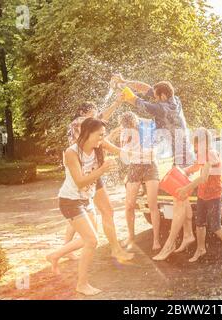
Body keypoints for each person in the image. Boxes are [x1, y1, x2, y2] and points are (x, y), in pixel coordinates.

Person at [112, 75, 196, 260]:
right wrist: (125, 81)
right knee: (183, 200)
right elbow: (146, 88)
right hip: (183, 155)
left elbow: (137, 101)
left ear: (163, 97)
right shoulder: (176, 100)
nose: (155, 98)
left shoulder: (162, 108)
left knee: (178, 201)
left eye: (157, 96)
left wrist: (124, 91)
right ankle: (188, 234)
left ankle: (169, 244)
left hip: (182, 158)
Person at [46, 118, 117, 296]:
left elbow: (117, 153)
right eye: (100, 135)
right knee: (92, 241)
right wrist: (102, 170)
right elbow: (79, 182)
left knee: (89, 239)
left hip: (86, 200)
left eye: (104, 135)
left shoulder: (97, 149)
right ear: (87, 133)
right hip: (70, 201)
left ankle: (55, 255)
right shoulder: (71, 152)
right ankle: (82, 284)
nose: (102, 139)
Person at [64, 97, 133, 262]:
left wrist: (117, 103)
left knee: (80, 212)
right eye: (92, 114)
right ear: (82, 113)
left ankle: (66, 248)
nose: (95, 117)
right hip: (85, 173)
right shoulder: (79, 123)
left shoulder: (81, 123)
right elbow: (101, 139)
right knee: (104, 211)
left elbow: (102, 118)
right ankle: (115, 249)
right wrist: (121, 152)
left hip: (86, 172)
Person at [176, 128, 222, 269]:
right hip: (202, 195)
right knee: (199, 224)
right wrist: (184, 171)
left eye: (197, 143)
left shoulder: (211, 154)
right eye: (195, 143)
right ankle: (200, 249)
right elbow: (197, 166)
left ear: (204, 142)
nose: (195, 147)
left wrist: (186, 188)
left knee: (216, 227)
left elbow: (203, 177)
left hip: (214, 196)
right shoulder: (202, 154)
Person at [119, 111, 161, 251]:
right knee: (129, 205)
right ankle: (131, 237)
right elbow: (124, 155)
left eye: (131, 125)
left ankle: (156, 240)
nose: (129, 128)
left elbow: (152, 153)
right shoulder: (125, 133)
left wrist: (134, 153)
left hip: (150, 166)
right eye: (126, 126)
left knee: (152, 204)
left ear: (135, 123)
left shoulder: (147, 130)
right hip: (135, 167)